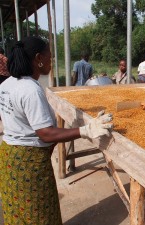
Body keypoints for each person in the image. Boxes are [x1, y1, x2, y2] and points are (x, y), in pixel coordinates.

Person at [0, 36, 113, 225]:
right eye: (49, 57)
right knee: (38, 213)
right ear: (38, 59)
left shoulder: (6, 84)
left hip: (9, 157)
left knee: (18, 212)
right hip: (29, 163)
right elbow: (46, 133)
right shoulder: (30, 89)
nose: (51, 62)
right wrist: (86, 130)